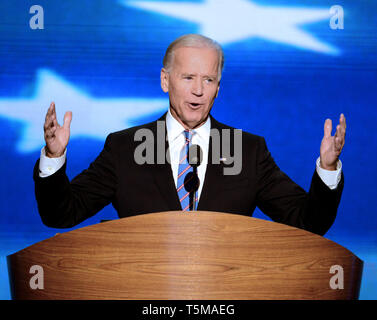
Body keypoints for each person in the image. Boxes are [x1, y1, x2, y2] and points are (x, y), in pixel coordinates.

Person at [34, 34, 346, 236]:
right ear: (165, 81)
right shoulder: (124, 148)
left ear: (218, 87)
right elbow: (60, 214)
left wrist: (327, 169)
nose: (198, 91)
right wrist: (53, 157)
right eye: (188, 78)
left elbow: (308, 222)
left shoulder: (246, 150)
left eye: (209, 80)